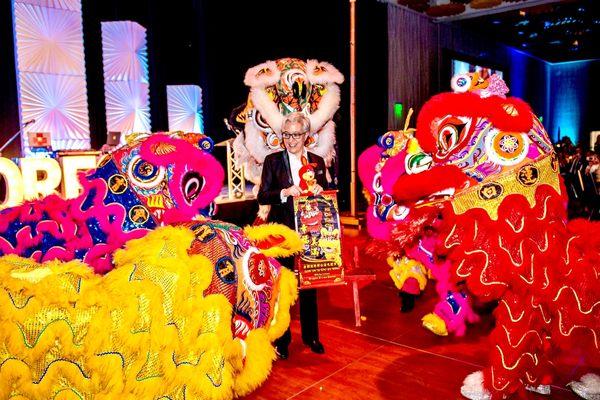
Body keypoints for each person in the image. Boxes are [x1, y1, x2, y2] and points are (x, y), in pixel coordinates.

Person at [257, 112, 328, 359]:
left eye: (296, 135)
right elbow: (263, 196)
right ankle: (282, 340)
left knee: (310, 286)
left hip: (312, 234)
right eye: (286, 135)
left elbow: (330, 194)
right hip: (284, 234)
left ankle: (312, 337)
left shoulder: (318, 161)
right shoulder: (272, 161)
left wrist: (322, 189)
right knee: (283, 288)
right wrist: (284, 192)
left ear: (306, 136)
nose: (291, 140)